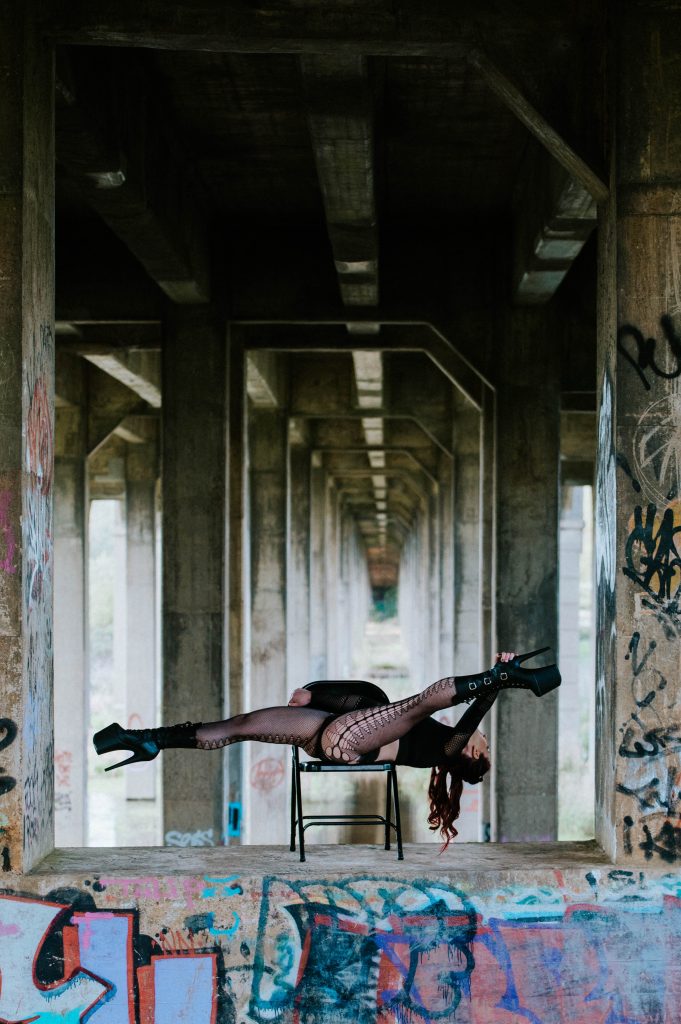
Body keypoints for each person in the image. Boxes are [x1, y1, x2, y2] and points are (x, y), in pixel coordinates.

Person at [93, 648, 560, 847]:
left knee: (417, 702)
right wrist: (317, 698)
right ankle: (149, 740)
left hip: (347, 741)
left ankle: (506, 677)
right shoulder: (446, 743)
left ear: (472, 756)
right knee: (242, 724)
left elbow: (468, 720)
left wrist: (496, 684)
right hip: (331, 732)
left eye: (484, 745)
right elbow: (370, 699)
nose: (481, 739)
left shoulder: (449, 751)